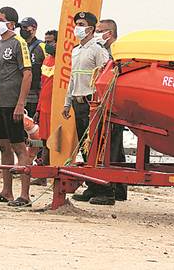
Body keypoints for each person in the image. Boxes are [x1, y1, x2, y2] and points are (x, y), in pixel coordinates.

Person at [0, 7, 34, 207]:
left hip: (13, 104)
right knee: (4, 146)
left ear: (11, 23)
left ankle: (25, 195)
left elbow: (27, 74)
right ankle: (7, 191)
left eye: (0, 19)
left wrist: (20, 103)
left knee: (19, 147)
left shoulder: (19, 43)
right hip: (0, 103)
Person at [62, 11, 111, 205]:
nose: (78, 28)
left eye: (81, 24)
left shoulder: (97, 49)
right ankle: (92, 185)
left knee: (96, 146)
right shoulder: (76, 50)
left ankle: (105, 190)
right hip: (77, 100)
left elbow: (105, 75)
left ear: (90, 28)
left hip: (92, 103)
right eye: (77, 24)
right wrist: (67, 103)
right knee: (85, 146)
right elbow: (72, 78)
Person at [95, 18, 128, 201]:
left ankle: (110, 189)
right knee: (115, 147)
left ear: (109, 32)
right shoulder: (106, 50)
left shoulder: (117, 52)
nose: (98, 34)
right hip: (107, 103)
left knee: (111, 148)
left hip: (113, 104)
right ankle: (120, 189)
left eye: (100, 31)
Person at [31, 29, 57, 186]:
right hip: (45, 106)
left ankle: (47, 174)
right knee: (44, 140)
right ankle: (43, 173)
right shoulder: (47, 60)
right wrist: (38, 109)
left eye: (50, 42)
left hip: (57, 107)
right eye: (45, 41)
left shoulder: (64, 61)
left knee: (53, 141)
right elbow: (43, 85)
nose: (47, 45)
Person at [19, 17, 46, 118]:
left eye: (25, 27)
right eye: (21, 27)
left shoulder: (41, 46)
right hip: (19, 96)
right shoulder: (19, 45)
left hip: (35, 96)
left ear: (34, 29)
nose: (22, 30)